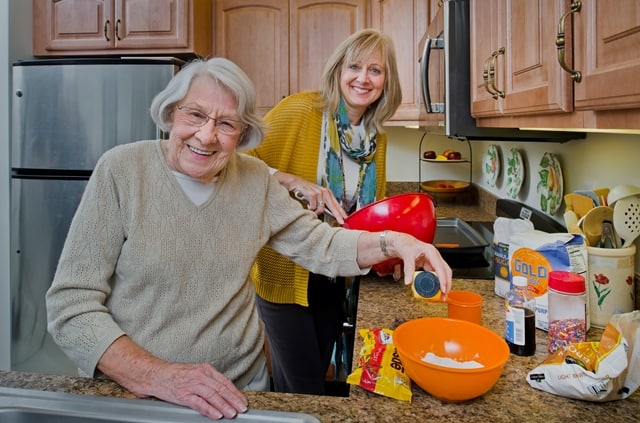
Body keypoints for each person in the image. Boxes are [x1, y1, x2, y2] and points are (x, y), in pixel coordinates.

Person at [45, 56, 452, 420]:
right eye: (195, 115)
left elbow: (324, 245)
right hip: (134, 397)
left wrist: (394, 242)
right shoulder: (121, 170)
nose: (206, 136)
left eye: (225, 124)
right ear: (170, 114)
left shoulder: (254, 180)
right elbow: (71, 307)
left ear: (241, 135)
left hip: (237, 395)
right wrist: (158, 376)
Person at [244, 29, 409, 395]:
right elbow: (240, 161)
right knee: (303, 390)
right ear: (338, 70)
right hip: (286, 272)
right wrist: (293, 181)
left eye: (375, 70)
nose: (363, 78)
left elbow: (366, 214)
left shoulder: (374, 137)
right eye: (354, 66)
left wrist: (387, 254)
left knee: (313, 378)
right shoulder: (303, 110)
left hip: (336, 273)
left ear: (387, 81)